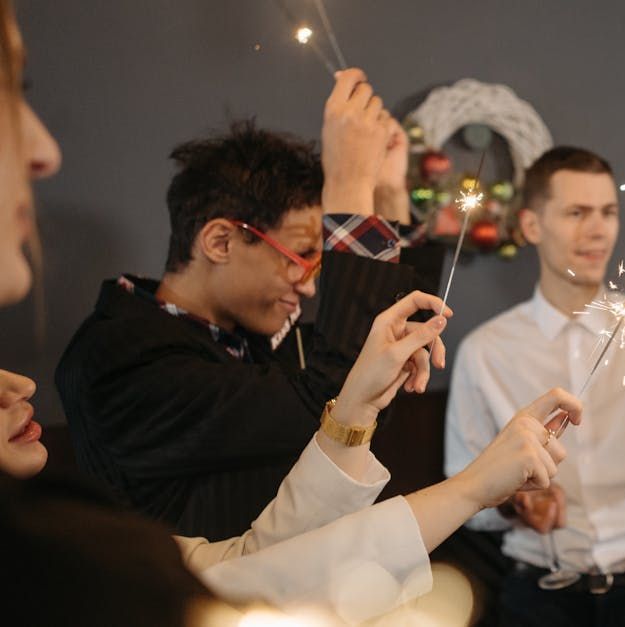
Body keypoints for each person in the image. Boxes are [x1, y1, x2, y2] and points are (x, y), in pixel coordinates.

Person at [56, 68, 442, 540]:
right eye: (300, 256)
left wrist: (387, 195)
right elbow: (340, 399)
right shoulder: (120, 358)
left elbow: (385, 365)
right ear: (220, 241)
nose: (308, 285)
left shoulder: (244, 334)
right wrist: (348, 185)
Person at [444, 146, 625, 626]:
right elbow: (465, 502)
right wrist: (516, 503)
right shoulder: (485, 351)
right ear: (531, 227)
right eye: (577, 213)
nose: (598, 230)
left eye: (608, 213)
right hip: (542, 592)